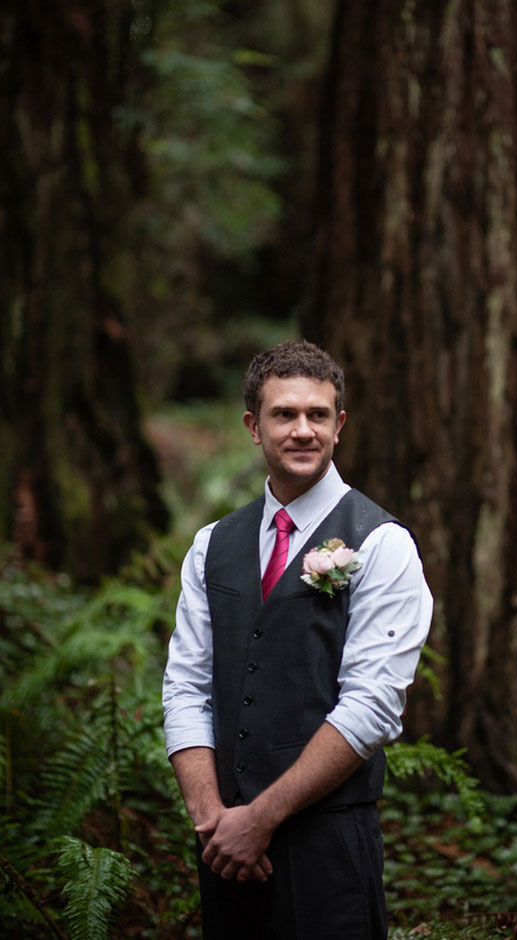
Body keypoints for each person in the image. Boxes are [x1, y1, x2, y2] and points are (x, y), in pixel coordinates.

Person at [163, 340, 432, 940]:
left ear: (340, 425)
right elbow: (185, 686)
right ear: (253, 427)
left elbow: (371, 707)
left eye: (318, 414)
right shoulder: (212, 545)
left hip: (328, 845)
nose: (303, 430)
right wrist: (213, 820)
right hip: (225, 848)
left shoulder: (383, 545)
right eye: (285, 414)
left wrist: (262, 818)